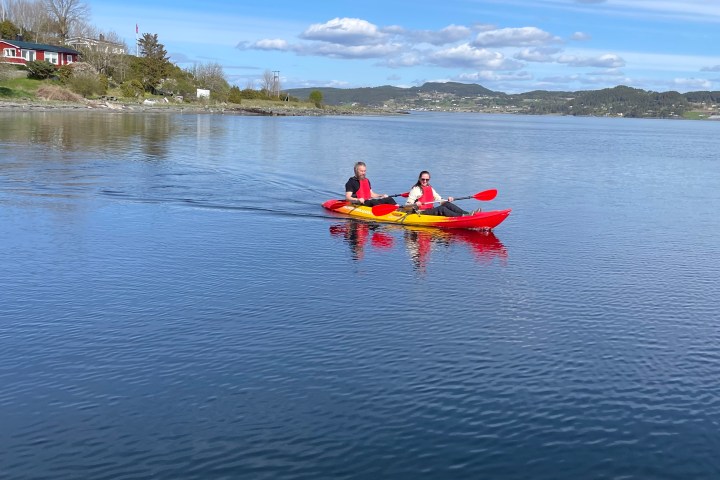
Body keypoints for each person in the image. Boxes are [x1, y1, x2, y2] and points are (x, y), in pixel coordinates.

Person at [405, 170, 478, 217]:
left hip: (430, 210)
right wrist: (415, 204)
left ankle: (468, 213)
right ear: (419, 179)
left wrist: (447, 200)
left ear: (429, 179)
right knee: (442, 209)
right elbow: (407, 205)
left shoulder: (430, 188)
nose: (425, 181)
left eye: (427, 179)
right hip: (421, 212)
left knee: (446, 204)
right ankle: (463, 216)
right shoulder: (415, 189)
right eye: (423, 179)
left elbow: (439, 199)